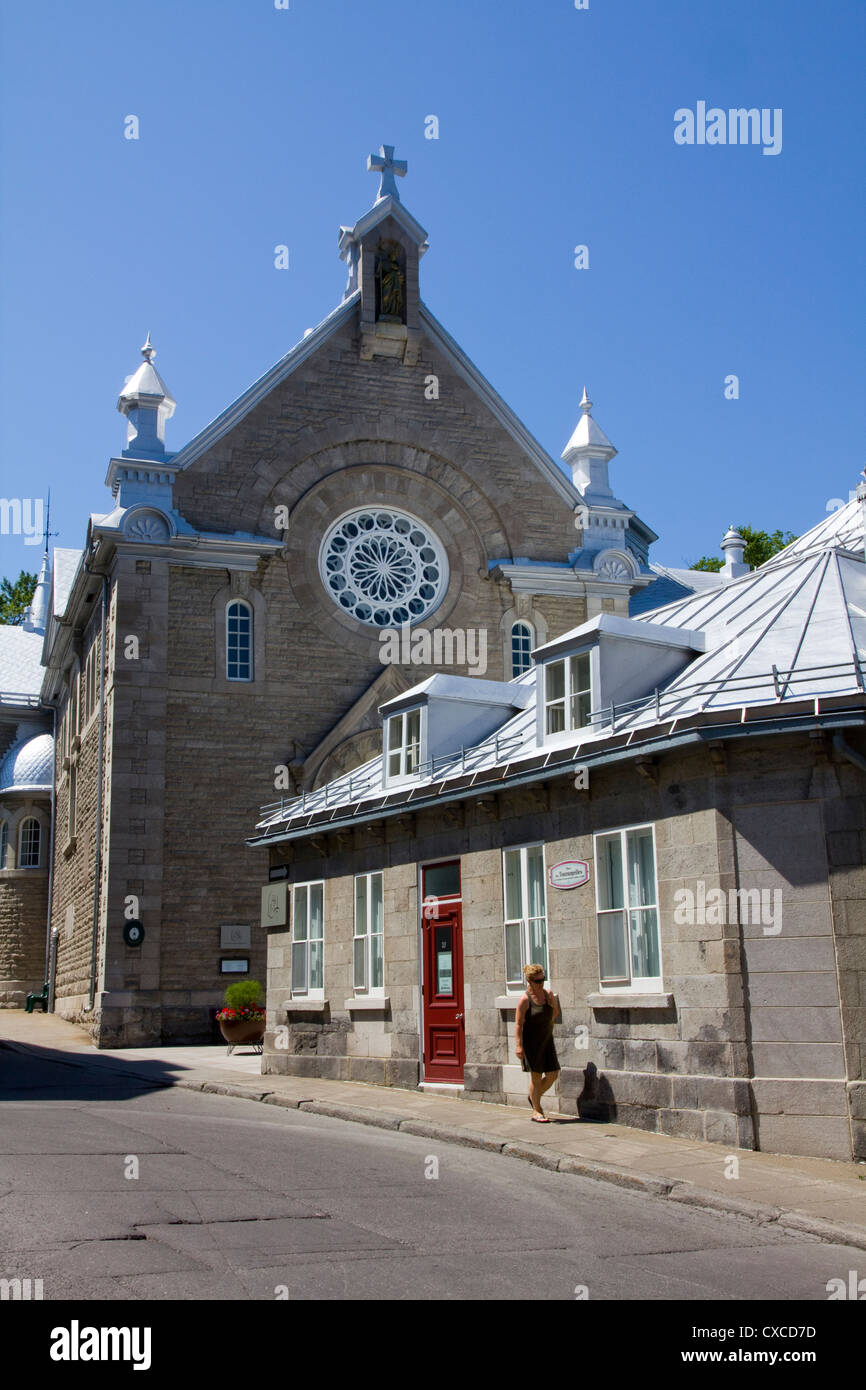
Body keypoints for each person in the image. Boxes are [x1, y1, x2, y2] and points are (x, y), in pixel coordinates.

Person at [515, 963, 560, 1122]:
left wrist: (551, 1003)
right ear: (529, 981)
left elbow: (555, 1013)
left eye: (543, 980)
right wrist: (519, 1046)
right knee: (536, 1077)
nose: (541, 983)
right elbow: (519, 1024)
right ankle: (537, 1110)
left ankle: (534, 1096)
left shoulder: (548, 994)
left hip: (547, 1040)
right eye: (538, 981)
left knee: (553, 1074)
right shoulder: (524, 1000)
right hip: (531, 1043)